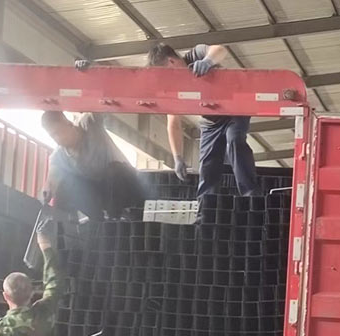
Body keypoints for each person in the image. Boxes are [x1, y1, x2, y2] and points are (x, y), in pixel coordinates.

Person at [147, 43, 258, 197]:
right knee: (208, 165)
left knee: (234, 139)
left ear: (171, 62)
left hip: (234, 111)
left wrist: (208, 61)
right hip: (210, 122)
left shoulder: (196, 55)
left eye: (165, 74)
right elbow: (173, 122)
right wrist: (177, 157)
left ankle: (251, 195)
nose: (167, 80)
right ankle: (205, 206)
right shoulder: (174, 87)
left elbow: (220, 49)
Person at [41, 111, 145, 220]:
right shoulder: (59, 156)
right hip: (101, 196)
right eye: (53, 135)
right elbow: (52, 176)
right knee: (65, 184)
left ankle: (115, 217)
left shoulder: (89, 124)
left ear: (69, 123)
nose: (58, 138)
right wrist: (48, 187)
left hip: (126, 187)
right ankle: (80, 224)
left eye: (59, 132)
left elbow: (98, 108)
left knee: (114, 169)